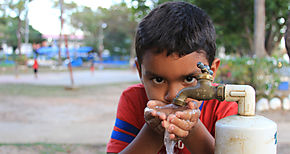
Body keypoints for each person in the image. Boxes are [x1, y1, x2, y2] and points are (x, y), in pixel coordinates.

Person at [106, 2, 238, 154]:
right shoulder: (133, 100)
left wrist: (193, 131)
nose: (174, 96)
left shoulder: (222, 106)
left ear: (211, 72)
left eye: (189, 79)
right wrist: (153, 133)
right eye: (158, 80)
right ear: (140, 71)